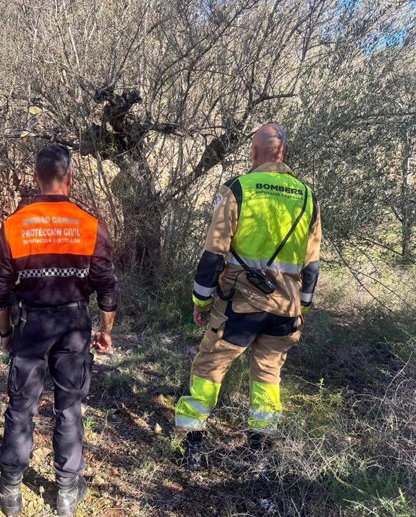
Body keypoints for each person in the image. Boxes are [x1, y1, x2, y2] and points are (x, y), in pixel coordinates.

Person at [174, 124, 322, 470]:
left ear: (255, 153)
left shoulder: (239, 189)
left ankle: (193, 446)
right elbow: (312, 264)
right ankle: (259, 449)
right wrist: (304, 306)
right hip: (286, 308)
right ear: (284, 152)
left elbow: (213, 253)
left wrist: (201, 301)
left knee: (210, 366)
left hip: (239, 304)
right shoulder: (306, 196)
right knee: (269, 375)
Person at [0, 144, 118, 516]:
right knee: (69, 407)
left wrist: (5, 332)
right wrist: (105, 329)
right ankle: (65, 491)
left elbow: (0, 290)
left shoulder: (14, 225)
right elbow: (107, 286)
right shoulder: (90, 225)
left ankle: (11, 490)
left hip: (30, 323)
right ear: (69, 178)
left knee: (21, 405)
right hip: (74, 324)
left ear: (36, 177)